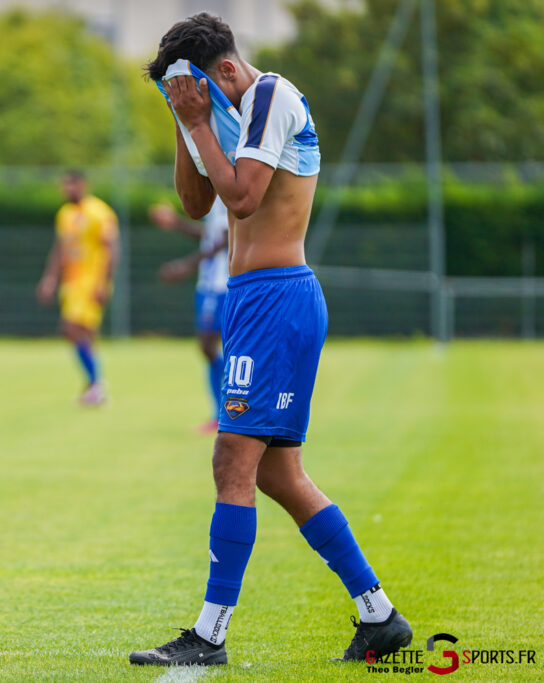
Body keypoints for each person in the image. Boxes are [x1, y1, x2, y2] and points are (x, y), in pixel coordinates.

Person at [129, 13, 411, 666]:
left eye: (198, 87)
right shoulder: (223, 111)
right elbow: (200, 203)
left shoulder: (272, 97)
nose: (198, 101)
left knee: (232, 460)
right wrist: (183, 120)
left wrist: (200, 120)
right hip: (254, 302)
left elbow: (247, 199)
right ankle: (380, 615)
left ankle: (210, 634)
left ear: (223, 70)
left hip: (279, 297)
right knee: (281, 474)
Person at [37, 170, 119, 406]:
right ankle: (94, 384)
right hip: (72, 283)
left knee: (72, 329)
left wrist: (104, 282)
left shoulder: (98, 212)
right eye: (64, 186)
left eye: (71, 185)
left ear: (83, 185)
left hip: (91, 281)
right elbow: (61, 249)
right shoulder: (65, 214)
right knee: (81, 334)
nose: (67, 190)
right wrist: (50, 278)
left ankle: (96, 383)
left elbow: (111, 248)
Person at [150, 198, 229, 433]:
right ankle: (220, 413)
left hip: (225, 284)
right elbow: (210, 237)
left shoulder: (229, 191)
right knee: (208, 347)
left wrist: (186, 265)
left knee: (229, 347)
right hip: (208, 286)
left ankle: (232, 412)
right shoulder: (213, 198)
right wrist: (176, 223)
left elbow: (226, 240)